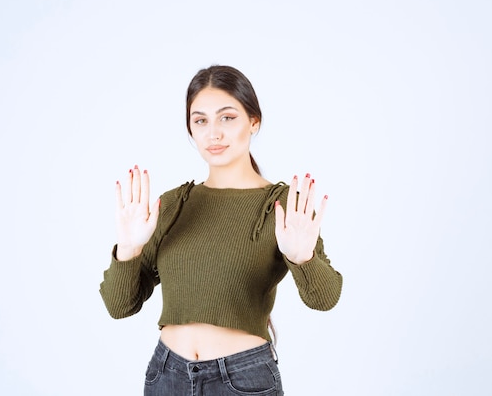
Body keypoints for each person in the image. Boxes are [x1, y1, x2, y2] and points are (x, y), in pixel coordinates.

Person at [99, 65, 343, 395]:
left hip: (242, 379)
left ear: (253, 122)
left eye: (227, 117)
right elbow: (119, 306)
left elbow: (324, 299)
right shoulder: (172, 205)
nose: (213, 133)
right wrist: (128, 250)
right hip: (167, 376)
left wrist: (303, 258)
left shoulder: (283, 205)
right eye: (200, 120)